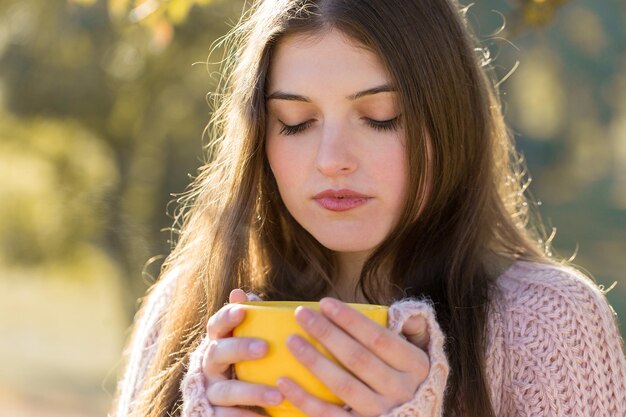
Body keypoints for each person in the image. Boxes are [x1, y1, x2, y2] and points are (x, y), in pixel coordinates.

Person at [110, 0, 626, 416]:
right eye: (294, 121)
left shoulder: (548, 324)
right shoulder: (184, 309)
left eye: (381, 117)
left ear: (449, 120)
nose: (333, 160)